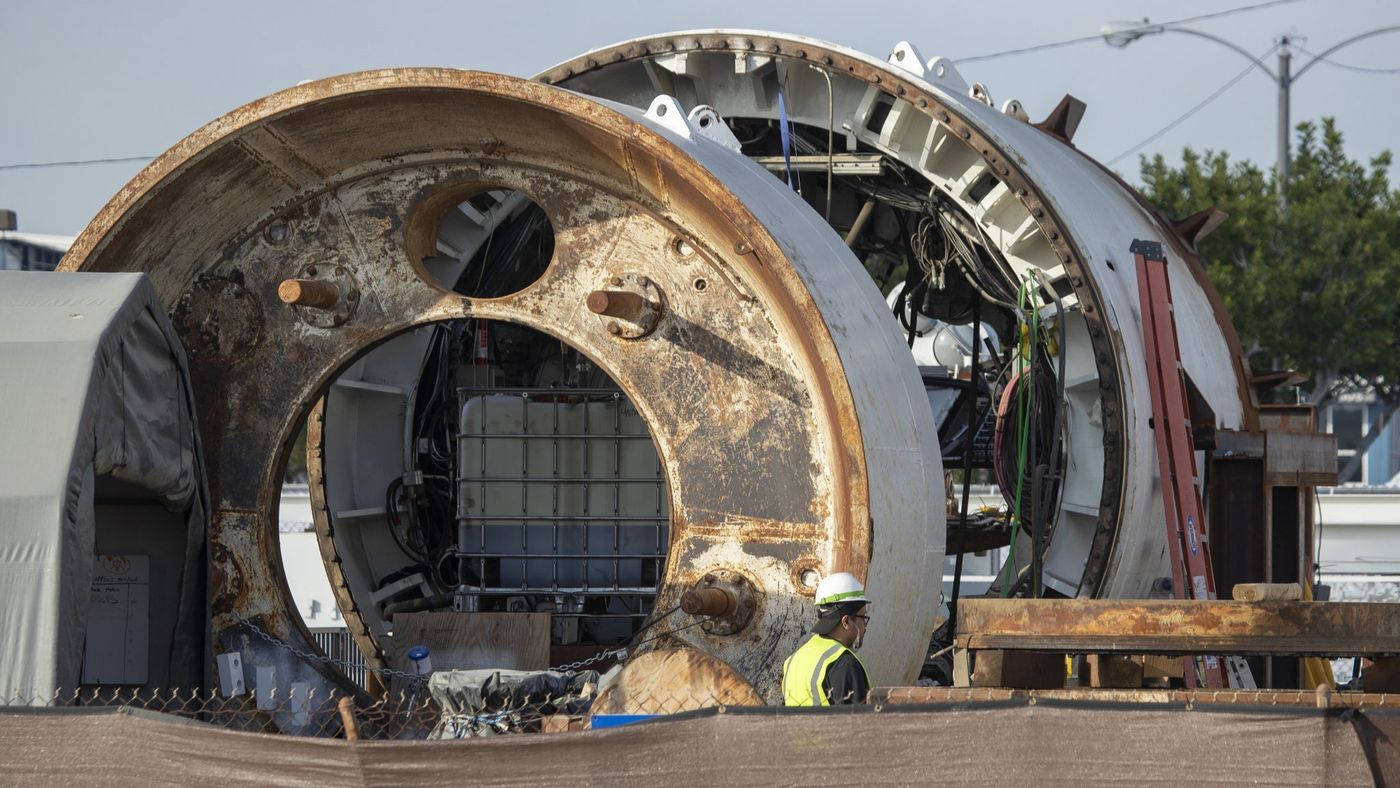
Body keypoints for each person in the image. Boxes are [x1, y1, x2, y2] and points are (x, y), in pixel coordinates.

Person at [781, 572, 872, 705]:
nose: (865, 627)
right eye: (863, 618)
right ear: (846, 622)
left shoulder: (793, 660)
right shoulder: (844, 664)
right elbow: (856, 723)